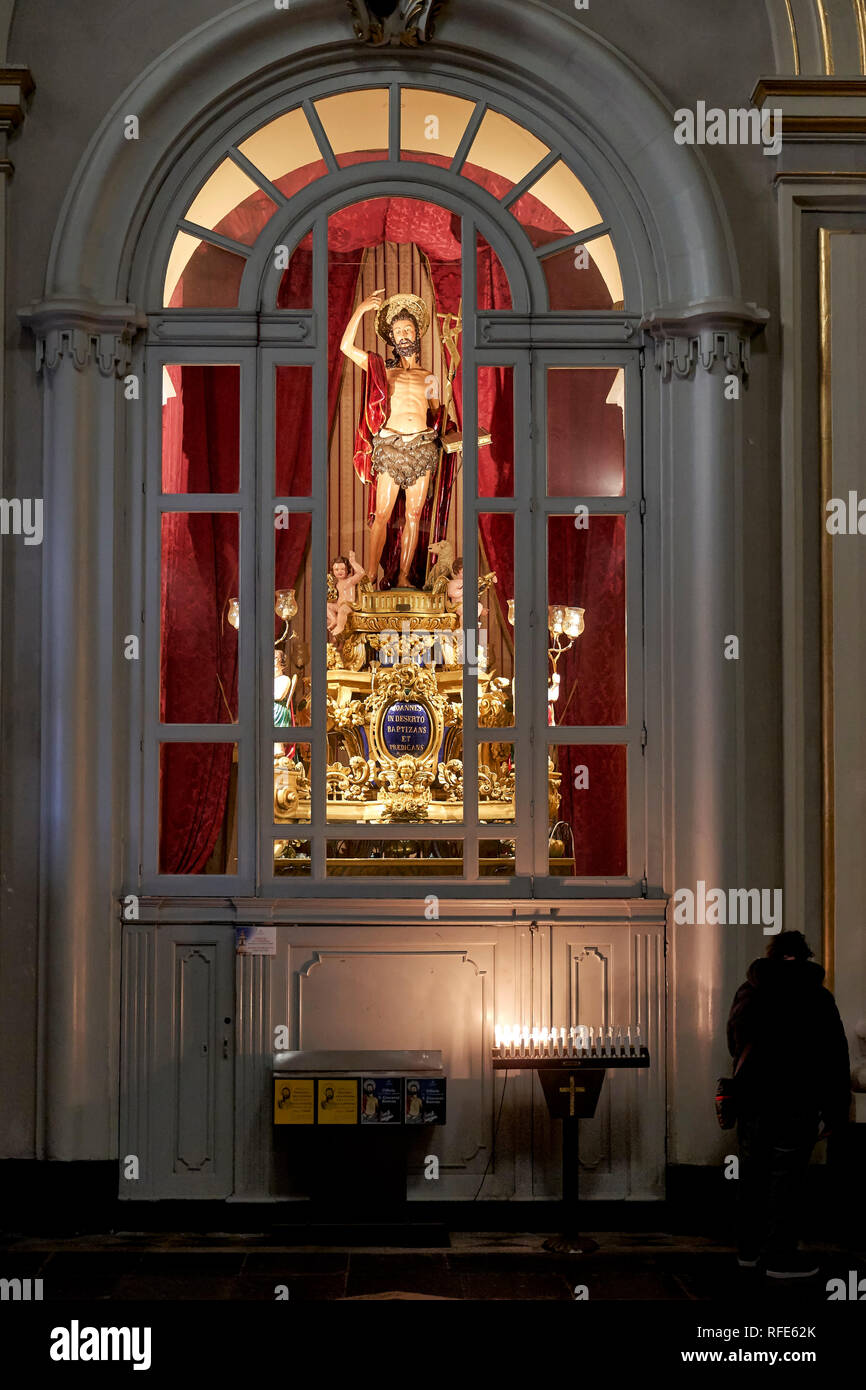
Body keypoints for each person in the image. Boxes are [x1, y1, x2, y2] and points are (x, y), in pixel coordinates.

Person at [727, 930, 851, 1278]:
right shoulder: (818, 997)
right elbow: (834, 1057)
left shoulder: (748, 991)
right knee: (787, 1178)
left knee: (753, 1174)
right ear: (806, 956)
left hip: (753, 1098)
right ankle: (779, 1256)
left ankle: (748, 1251)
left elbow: (734, 1041)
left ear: (771, 955)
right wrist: (836, 1111)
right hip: (798, 1100)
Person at [342, 290, 442, 588]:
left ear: (416, 333)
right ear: (392, 338)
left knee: (414, 515)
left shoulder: (430, 377)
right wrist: (360, 309)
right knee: (382, 514)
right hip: (390, 445)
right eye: (397, 331)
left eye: (407, 329)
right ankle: (371, 577)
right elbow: (346, 347)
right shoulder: (383, 370)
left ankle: (403, 576)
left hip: (422, 447)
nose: (403, 334)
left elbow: (437, 415)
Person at [327, 551, 366, 636]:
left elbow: (361, 573)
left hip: (349, 606)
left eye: (342, 569)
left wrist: (353, 562)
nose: (339, 571)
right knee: (326, 606)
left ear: (348, 569)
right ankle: (334, 620)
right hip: (339, 605)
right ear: (333, 571)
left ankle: (340, 627)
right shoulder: (337, 583)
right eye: (336, 569)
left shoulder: (350, 581)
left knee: (343, 610)